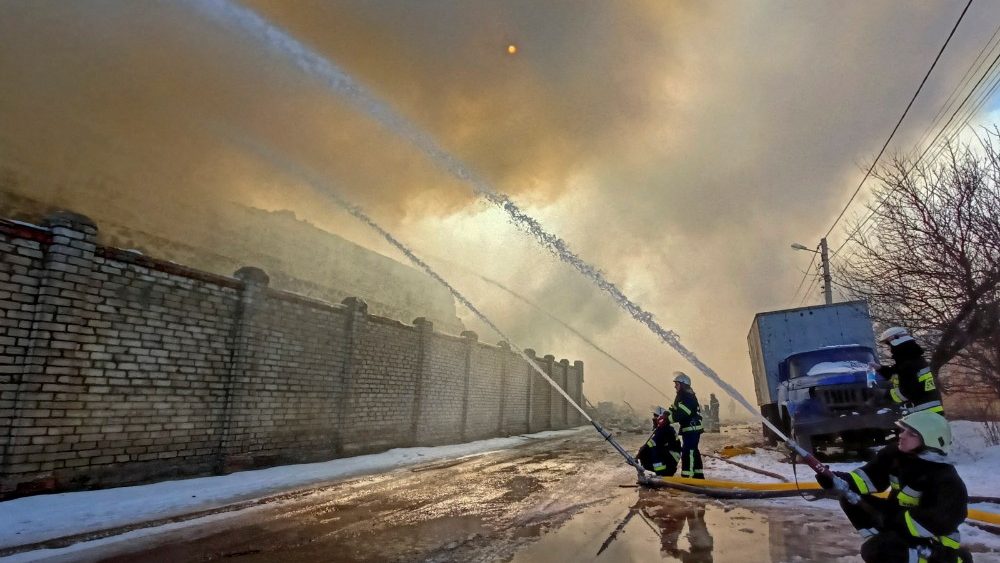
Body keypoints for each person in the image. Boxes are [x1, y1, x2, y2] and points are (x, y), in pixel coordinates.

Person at [816, 411, 971, 563]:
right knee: (848, 498)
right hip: (899, 521)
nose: (902, 435)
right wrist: (836, 479)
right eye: (903, 430)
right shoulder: (895, 455)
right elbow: (868, 477)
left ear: (930, 440)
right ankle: (890, 547)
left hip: (934, 539)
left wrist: (894, 524)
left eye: (911, 434)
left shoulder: (945, 479)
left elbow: (939, 521)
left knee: (877, 551)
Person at [876, 326, 944, 415]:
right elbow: (895, 373)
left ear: (896, 342)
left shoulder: (909, 364)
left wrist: (883, 395)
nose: (890, 349)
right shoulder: (913, 359)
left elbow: (906, 392)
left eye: (889, 345)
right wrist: (879, 368)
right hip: (929, 412)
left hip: (925, 414)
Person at [668, 371, 704, 479]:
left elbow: (683, 413)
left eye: (677, 384)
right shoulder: (683, 395)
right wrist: (666, 414)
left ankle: (689, 477)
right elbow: (675, 410)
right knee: (692, 451)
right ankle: (698, 475)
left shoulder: (686, 396)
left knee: (689, 452)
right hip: (690, 428)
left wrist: (667, 420)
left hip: (692, 428)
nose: (675, 386)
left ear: (683, 384)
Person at [637, 406, 682, 476]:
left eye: (655, 416)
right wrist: (641, 452)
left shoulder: (665, 429)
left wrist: (640, 453)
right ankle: (661, 471)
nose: (653, 418)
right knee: (646, 451)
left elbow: (652, 443)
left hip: (671, 461)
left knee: (653, 448)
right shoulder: (662, 428)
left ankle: (662, 473)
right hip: (670, 458)